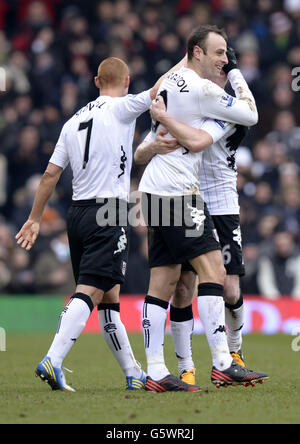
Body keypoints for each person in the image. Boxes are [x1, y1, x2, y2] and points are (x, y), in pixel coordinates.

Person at [15, 57, 180, 392]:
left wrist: (34, 218)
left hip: (77, 214)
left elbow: (50, 174)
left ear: (95, 81)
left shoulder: (72, 121)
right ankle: (53, 359)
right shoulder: (121, 107)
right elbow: (161, 86)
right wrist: (190, 56)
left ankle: (133, 373)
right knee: (90, 290)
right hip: (110, 212)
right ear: (127, 80)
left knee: (109, 297)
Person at [134, 24, 268, 391]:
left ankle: (157, 372)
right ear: (197, 53)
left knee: (163, 281)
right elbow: (247, 116)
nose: (224, 60)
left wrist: (161, 127)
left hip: (153, 190)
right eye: (219, 53)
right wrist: (237, 75)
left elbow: (140, 152)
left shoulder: (168, 84)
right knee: (214, 272)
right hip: (179, 194)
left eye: (227, 54)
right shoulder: (202, 89)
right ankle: (224, 362)